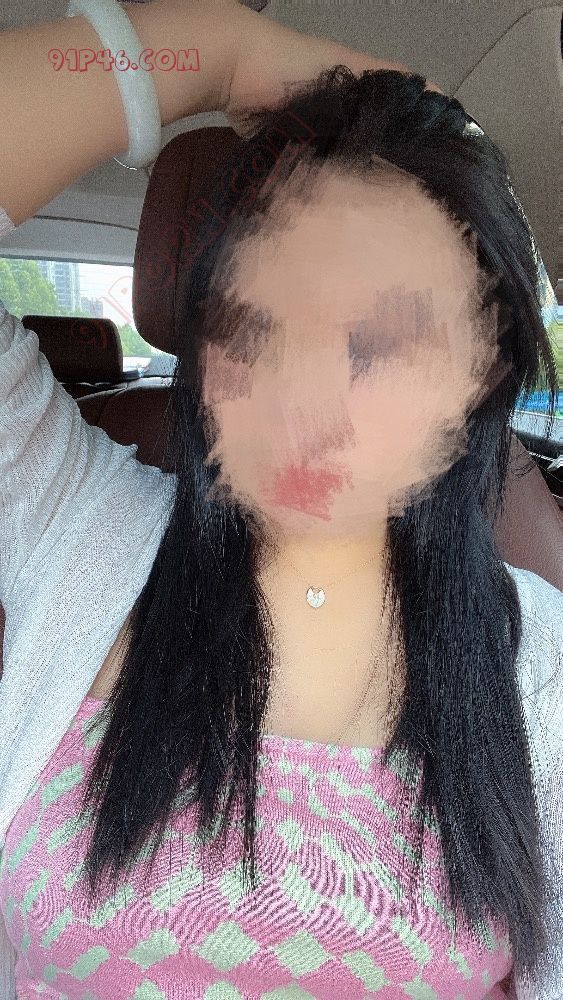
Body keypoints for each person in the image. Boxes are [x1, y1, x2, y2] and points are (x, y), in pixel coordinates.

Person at [0, 2, 561, 998]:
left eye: (377, 343)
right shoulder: (72, 526)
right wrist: (221, 51)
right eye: (255, 325)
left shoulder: (540, 672)